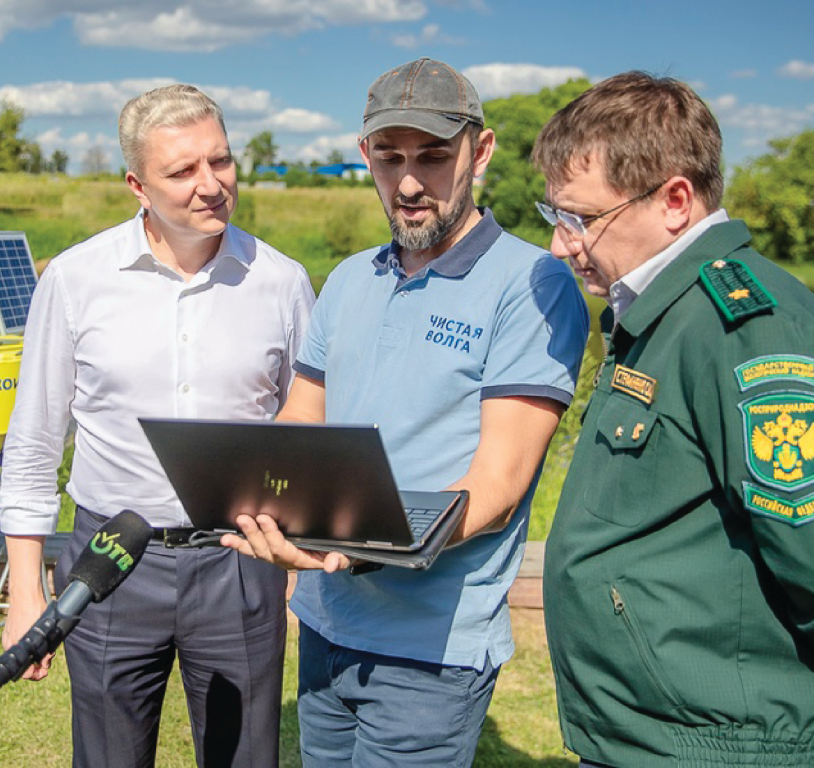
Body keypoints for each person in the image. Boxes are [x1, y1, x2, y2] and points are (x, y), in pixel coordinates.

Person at [221, 57, 588, 766]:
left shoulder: (532, 282)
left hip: (432, 648)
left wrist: (352, 545)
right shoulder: (351, 278)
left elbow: (499, 488)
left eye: (433, 156)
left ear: (479, 152)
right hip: (326, 624)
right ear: (365, 157)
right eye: (389, 159)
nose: (410, 183)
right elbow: (302, 422)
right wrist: (260, 496)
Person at [533, 71, 814, 768]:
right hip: (667, 733)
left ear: (674, 201)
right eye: (556, 217)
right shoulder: (667, 315)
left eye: (581, 219)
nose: (561, 245)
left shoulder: (746, 329)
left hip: (729, 742)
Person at [0, 84, 315, 768]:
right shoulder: (76, 279)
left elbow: (307, 430)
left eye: (221, 161)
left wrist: (292, 556)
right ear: (137, 184)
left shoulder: (283, 282)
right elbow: (33, 441)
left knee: (244, 758)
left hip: (239, 560)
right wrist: (26, 591)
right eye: (182, 171)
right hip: (109, 562)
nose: (211, 185)